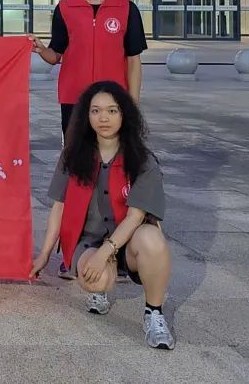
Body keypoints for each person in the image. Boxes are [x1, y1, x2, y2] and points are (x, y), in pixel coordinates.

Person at [30, 81, 175, 350]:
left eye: (112, 110)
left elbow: (135, 217)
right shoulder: (72, 156)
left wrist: (105, 253)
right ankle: (101, 293)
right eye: (95, 111)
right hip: (88, 241)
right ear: (86, 115)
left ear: (124, 114)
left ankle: (154, 313)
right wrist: (45, 254)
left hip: (128, 240)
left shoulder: (142, 160)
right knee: (97, 280)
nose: (103, 118)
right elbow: (59, 207)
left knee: (152, 239)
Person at [30, 0, 147, 136]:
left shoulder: (127, 9)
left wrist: (132, 103)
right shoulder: (65, 8)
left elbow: (134, 59)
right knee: (75, 151)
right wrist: (41, 50)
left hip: (113, 100)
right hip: (73, 98)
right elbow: (55, 55)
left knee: (112, 151)